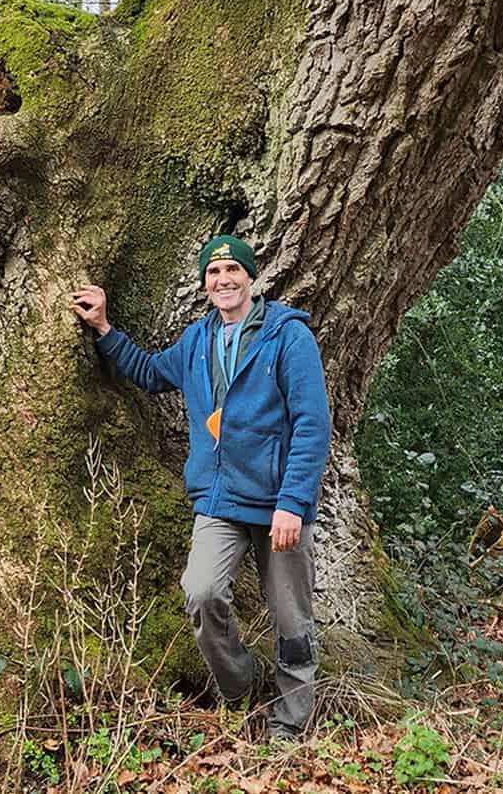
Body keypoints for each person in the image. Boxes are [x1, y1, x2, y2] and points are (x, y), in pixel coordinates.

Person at [71, 235, 331, 739]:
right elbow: (149, 373)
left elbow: (311, 424)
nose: (224, 280)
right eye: (214, 273)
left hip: (279, 503)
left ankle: (290, 723)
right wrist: (103, 327)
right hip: (220, 498)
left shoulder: (288, 337)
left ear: (251, 277)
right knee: (202, 590)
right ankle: (240, 686)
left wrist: (293, 502)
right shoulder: (197, 340)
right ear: (204, 284)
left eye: (233, 269)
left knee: (291, 617)